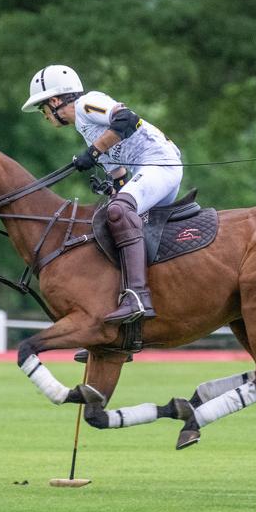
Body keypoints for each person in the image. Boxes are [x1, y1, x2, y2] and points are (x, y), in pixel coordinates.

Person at [22, 64, 182, 324]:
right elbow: (119, 175)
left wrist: (93, 153)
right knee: (110, 216)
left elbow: (127, 119)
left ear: (54, 100)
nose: (45, 116)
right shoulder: (84, 130)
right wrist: (112, 189)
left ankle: (137, 297)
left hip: (160, 164)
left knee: (119, 210)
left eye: (43, 110)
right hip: (149, 171)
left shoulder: (88, 103)